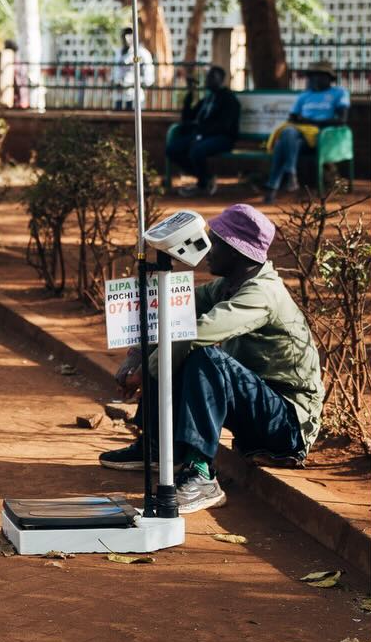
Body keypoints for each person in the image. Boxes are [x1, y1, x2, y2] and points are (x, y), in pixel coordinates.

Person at [100, 204, 322, 514]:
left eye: (215, 242)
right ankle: (157, 448)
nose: (207, 250)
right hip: (258, 410)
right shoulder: (228, 286)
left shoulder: (262, 293)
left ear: (236, 251)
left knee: (203, 355)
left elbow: (196, 333)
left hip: (286, 425)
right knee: (182, 348)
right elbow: (170, 312)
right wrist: (136, 356)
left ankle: (201, 474)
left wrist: (145, 373)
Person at [262, 60, 350, 204]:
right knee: (287, 135)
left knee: (282, 143)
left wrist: (310, 121)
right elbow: (292, 117)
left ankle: (273, 187)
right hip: (301, 139)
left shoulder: (339, 93)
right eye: (312, 75)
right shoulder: (304, 95)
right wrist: (302, 121)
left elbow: (341, 120)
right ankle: (290, 173)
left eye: (320, 75)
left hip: (325, 138)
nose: (315, 79)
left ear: (329, 77)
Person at [167, 65, 240, 197]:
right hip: (200, 136)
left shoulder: (229, 99)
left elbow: (225, 126)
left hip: (222, 138)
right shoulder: (208, 99)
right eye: (207, 77)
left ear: (220, 80)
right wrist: (190, 93)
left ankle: (202, 184)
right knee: (172, 149)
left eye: (211, 77)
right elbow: (188, 117)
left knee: (196, 150)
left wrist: (201, 136)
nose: (207, 80)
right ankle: (206, 177)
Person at [111, 27, 155, 110]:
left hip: (135, 97)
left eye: (130, 34)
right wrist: (114, 81)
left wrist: (131, 84)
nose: (126, 37)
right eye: (124, 34)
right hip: (119, 97)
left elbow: (148, 78)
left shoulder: (142, 53)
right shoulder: (118, 52)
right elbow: (115, 71)